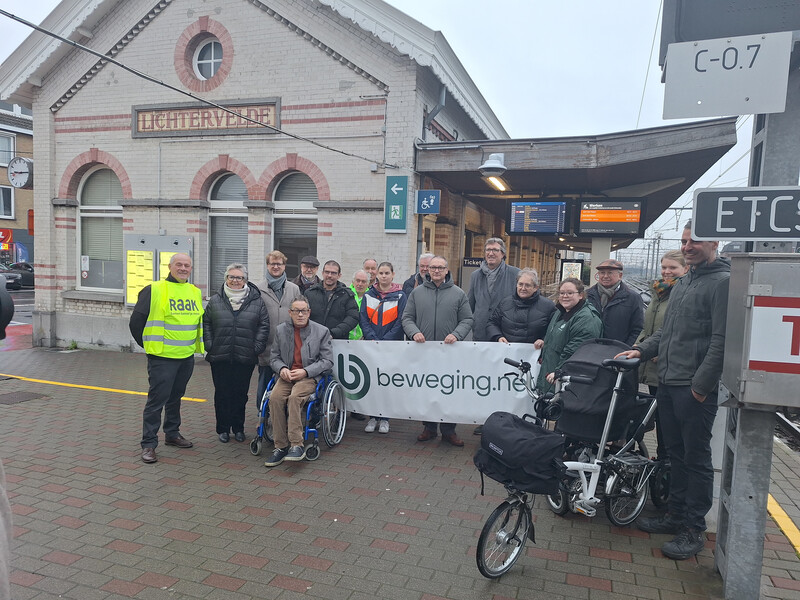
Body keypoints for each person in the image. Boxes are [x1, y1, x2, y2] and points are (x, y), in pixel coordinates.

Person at [617, 222, 730, 561]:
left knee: (695, 459)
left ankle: (693, 529)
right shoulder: (683, 283)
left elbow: (722, 341)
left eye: (693, 241)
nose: (687, 247)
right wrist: (642, 351)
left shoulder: (722, 284)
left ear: (714, 240)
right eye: (683, 241)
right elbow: (667, 333)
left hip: (691, 388)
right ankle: (675, 515)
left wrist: (700, 387)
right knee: (675, 454)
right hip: (667, 381)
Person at [129, 253, 203, 464]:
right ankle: (149, 444)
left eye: (187, 265)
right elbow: (136, 322)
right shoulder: (154, 290)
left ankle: (172, 433)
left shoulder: (194, 292)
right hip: (162, 357)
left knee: (176, 397)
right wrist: (149, 346)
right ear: (169, 266)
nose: (183, 268)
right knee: (156, 401)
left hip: (186, 356)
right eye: (178, 264)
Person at [402, 255, 473, 446]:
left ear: (447, 270)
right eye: (433, 268)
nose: (436, 271)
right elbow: (407, 318)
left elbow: (467, 319)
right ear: (427, 270)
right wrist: (414, 333)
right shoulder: (417, 293)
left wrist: (456, 334)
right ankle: (429, 427)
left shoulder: (458, 294)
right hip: (424, 352)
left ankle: (449, 430)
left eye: (440, 268)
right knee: (427, 390)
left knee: (449, 390)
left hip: (449, 353)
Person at [203, 263, 270, 443]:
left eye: (239, 277)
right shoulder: (216, 300)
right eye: (231, 277)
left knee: (240, 393)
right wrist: (210, 344)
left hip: (245, 356)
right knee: (222, 393)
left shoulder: (256, 300)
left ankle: (238, 428)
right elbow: (207, 322)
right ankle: (223, 429)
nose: (235, 280)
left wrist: (256, 348)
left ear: (245, 280)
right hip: (220, 355)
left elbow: (263, 325)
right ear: (226, 279)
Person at [264, 297, 333, 467]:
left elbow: (327, 361)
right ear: (290, 313)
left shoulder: (322, 331)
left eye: (304, 311)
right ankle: (280, 446)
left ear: (309, 312)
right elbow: (274, 357)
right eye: (296, 311)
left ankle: (296, 444)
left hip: (308, 376)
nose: (300, 314)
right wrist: (281, 369)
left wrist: (306, 371)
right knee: (274, 398)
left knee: (295, 398)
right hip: (286, 375)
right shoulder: (281, 331)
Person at [636, 250, 688, 459]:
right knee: (659, 418)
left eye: (672, 268)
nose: (667, 272)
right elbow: (647, 328)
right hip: (653, 367)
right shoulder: (659, 293)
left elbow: (682, 331)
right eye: (664, 267)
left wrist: (661, 350)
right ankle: (662, 461)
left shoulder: (683, 293)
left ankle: (668, 465)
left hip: (671, 368)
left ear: (685, 269)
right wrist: (636, 348)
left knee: (670, 422)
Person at [360, 261, 407, 434]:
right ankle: (372, 417)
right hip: (372, 346)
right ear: (377, 275)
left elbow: (402, 321)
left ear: (393, 275)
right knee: (372, 381)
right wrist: (372, 338)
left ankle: (385, 418)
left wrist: (386, 339)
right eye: (381, 273)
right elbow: (363, 319)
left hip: (391, 346)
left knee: (387, 381)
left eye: (387, 273)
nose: (384, 276)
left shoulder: (401, 296)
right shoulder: (368, 295)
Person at [534, 277, 603, 395]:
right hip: (551, 379)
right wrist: (545, 341)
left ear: (581, 295)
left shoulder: (586, 319)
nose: (565, 296)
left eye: (570, 293)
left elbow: (574, 352)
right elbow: (558, 338)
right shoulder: (560, 312)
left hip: (566, 384)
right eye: (562, 293)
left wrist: (560, 372)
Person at [255, 251, 302, 405]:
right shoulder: (257, 289)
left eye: (279, 264)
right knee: (264, 383)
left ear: (284, 266)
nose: (276, 267)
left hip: (288, 346)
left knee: (285, 385)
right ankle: (262, 415)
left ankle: (282, 416)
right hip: (266, 345)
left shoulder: (294, 289)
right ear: (267, 266)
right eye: (272, 264)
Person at [468, 238, 520, 343]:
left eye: (495, 250)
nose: (491, 253)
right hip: (480, 334)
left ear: (503, 254)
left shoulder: (515, 274)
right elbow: (470, 305)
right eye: (488, 250)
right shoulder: (475, 275)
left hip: (505, 335)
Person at [486, 268, 556, 344]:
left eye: (527, 285)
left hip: (535, 353)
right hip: (508, 352)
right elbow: (492, 323)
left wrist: (544, 340)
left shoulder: (548, 306)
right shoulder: (505, 303)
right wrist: (498, 337)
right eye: (520, 284)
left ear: (535, 288)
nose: (523, 288)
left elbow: (555, 328)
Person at [586, 259, 644, 346]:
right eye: (602, 273)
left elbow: (637, 328)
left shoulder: (633, 298)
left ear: (620, 275)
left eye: (610, 273)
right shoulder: (587, 295)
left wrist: (625, 348)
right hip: (589, 350)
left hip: (618, 351)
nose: (605, 276)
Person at [305, 260, 359, 339]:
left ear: (339, 275)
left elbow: (352, 317)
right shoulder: (309, 293)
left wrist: (334, 333)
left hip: (338, 341)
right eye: (327, 272)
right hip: (313, 339)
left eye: (333, 273)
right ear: (322, 273)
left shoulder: (347, 295)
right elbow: (304, 315)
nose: (329, 275)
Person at [349, 269, 370, 340]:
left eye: (363, 281)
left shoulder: (371, 298)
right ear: (353, 281)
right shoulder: (346, 295)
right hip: (346, 339)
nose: (360, 284)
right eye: (358, 280)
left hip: (365, 339)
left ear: (368, 284)